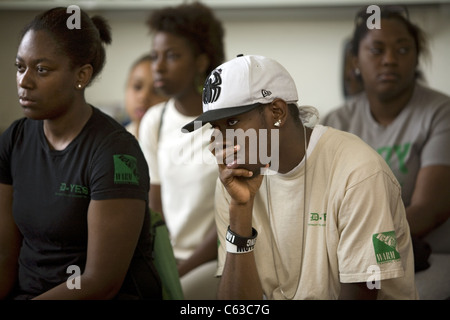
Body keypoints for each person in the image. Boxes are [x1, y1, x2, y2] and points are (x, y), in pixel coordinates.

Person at [182, 54, 418, 300]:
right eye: (216, 129)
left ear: (277, 112)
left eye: (232, 122)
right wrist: (241, 211)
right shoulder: (233, 182)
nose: (223, 140)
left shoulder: (358, 171)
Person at [0, 7, 162, 300]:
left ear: (82, 75)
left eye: (41, 69)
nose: (24, 81)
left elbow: (100, 282)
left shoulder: (115, 152)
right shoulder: (14, 138)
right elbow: (4, 255)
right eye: (19, 66)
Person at [322, 5, 450, 299]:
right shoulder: (335, 123)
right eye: (377, 50)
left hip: (427, 256)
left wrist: (363, 249)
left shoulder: (441, 113)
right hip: (350, 257)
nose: (390, 60)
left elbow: (429, 210)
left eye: (403, 50)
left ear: (417, 58)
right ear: (355, 60)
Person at [139, 2, 225, 299]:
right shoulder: (155, 120)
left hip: (217, 259)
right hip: (167, 255)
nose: (158, 67)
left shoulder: (227, 122)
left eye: (172, 56)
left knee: (180, 294)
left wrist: (180, 268)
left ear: (201, 61)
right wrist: (162, 262)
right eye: (155, 56)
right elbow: (154, 209)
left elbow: (234, 218)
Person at [124, 54, 167, 139]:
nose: (143, 97)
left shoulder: (178, 141)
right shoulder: (116, 141)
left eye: (156, 91)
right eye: (137, 86)